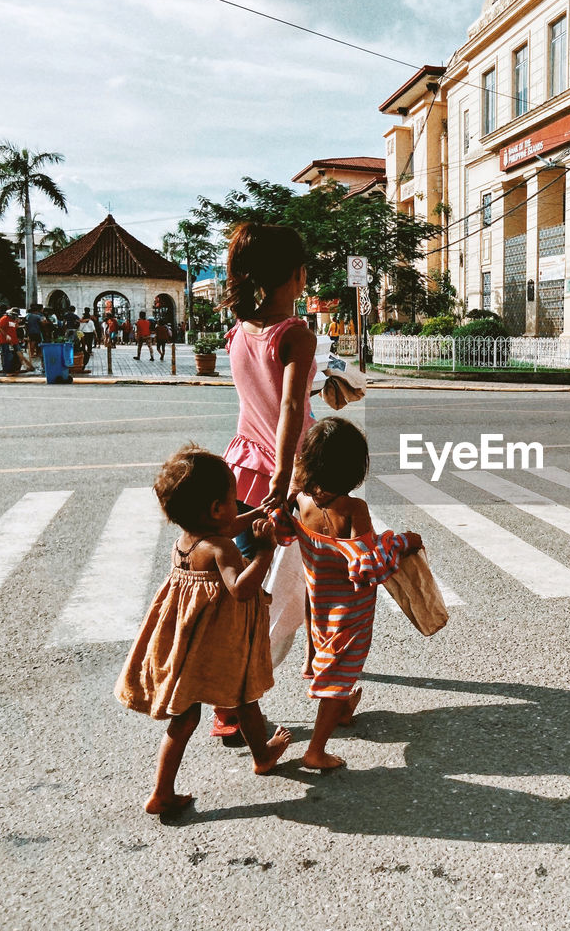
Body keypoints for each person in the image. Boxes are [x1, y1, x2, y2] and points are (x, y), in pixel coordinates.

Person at [115, 446, 292, 814]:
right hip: (219, 644)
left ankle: (162, 791)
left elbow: (228, 524)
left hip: (189, 646)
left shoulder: (188, 540)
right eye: (233, 500)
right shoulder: (222, 548)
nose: (237, 507)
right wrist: (264, 551)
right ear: (215, 509)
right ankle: (262, 755)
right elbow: (241, 590)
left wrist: (258, 513)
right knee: (244, 697)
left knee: (186, 718)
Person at [212, 222, 318, 743]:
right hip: (294, 476)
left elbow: (264, 401)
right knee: (320, 576)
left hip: (241, 471)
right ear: (294, 275)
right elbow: (292, 408)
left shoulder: (240, 331)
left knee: (245, 591)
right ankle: (323, 682)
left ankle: (228, 705)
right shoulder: (295, 331)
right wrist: (285, 478)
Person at [266, 419, 423, 768]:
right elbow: (370, 563)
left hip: (319, 603)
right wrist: (402, 542)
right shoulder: (354, 510)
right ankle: (315, 750)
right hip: (350, 612)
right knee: (339, 671)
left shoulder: (301, 501)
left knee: (333, 661)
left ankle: (342, 707)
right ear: (354, 469)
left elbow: (287, 535)